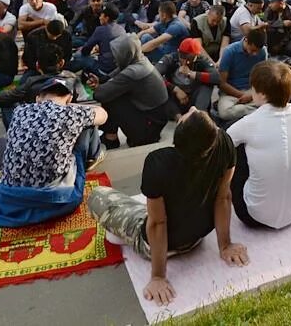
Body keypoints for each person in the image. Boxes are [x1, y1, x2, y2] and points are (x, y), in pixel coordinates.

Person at [88, 108, 248, 306]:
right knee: (147, 208)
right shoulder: (224, 143)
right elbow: (224, 198)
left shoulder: (158, 162)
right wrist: (225, 245)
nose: (192, 108)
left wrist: (158, 277)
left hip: (161, 244)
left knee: (98, 195)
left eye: (191, 113)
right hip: (197, 237)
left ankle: (128, 234)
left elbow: (157, 223)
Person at [0, 76, 106, 227]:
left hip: (12, 196)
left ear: (38, 98)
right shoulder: (72, 114)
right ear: (69, 97)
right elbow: (102, 114)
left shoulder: (19, 111)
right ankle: (92, 158)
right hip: (55, 200)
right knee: (89, 126)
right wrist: (69, 106)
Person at [227, 61, 291, 229]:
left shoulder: (248, 123)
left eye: (253, 89)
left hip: (252, 216)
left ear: (262, 94)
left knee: (235, 148)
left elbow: (221, 143)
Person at [89, 33, 176, 147]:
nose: (114, 57)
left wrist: (99, 87)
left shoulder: (134, 72)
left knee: (112, 97)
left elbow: (100, 95)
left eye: (117, 54)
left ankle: (111, 139)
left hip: (149, 129)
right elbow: (111, 77)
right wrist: (101, 82)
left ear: (127, 53)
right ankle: (112, 136)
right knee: (114, 90)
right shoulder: (140, 60)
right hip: (154, 120)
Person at [216, 26, 269, 121]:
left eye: (257, 51)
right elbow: (222, 83)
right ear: (246, 40)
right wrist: (241, 95)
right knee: (225, 112)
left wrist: (252, 95)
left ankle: (251, 111)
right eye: (252, 50)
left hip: (252, 90)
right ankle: (256, 112)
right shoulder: (230, 51)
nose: (255, 54)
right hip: (232, 92)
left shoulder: (262, 52)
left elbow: (262, 76)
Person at [157, 36, 220, 114]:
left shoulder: (202, 60)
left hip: (194, 98)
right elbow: (155, 75)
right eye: (182, 56)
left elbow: (217, 77)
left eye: (189, 58)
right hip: (174, 98)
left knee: (207, 85)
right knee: (158, 84)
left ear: (196, 56)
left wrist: (192, 73)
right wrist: (174, 89)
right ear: (178, 51)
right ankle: (177, 115)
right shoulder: (170, 59)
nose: (185, 61)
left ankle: (198, 114)